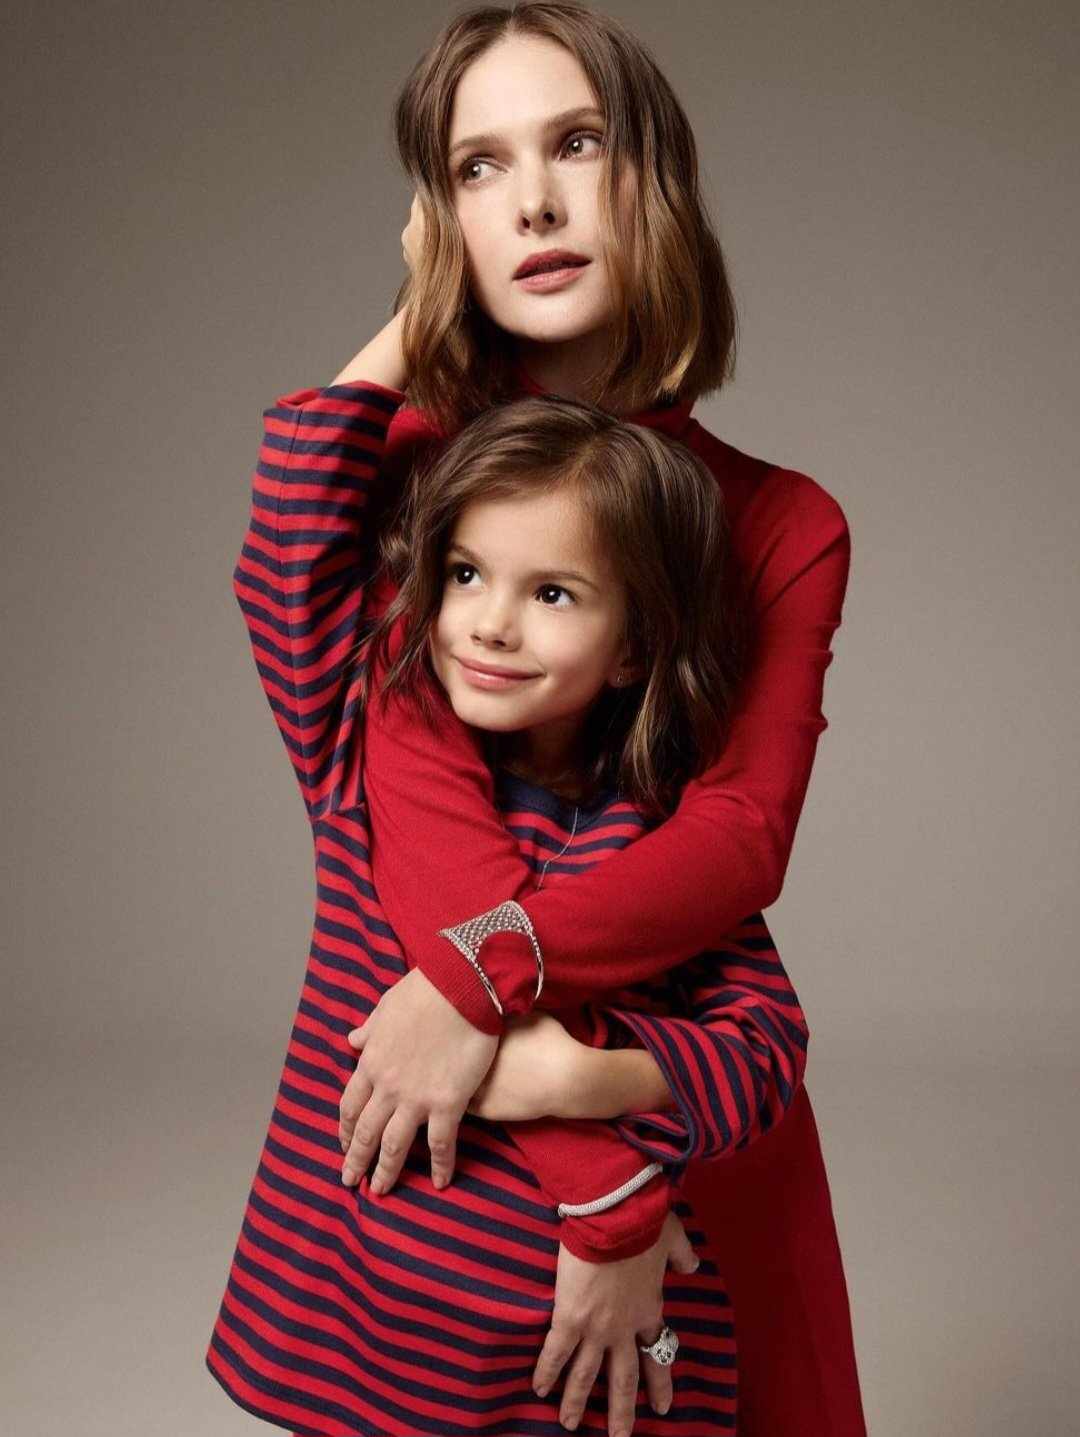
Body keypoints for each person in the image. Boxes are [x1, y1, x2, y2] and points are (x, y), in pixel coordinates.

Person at [210, 3, 865, 1433]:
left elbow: (737, 840)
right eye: (478, 168)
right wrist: (423, 305)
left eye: (578, 144)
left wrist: (483, 985)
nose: (537, 205)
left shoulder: (781, 521)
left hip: (668, 1134)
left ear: (653, 176)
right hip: (439, 1196)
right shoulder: (417, 485)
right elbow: (305, 614)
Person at [207, 368, 811, 1437]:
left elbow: (765, 1051)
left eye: (552, 594)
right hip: (362, 1336)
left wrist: (588, 1076)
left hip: (578, 1364)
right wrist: (432, 297)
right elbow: (291, 526)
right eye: (466, 574)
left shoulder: (655, 853)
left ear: (634, 645)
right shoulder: (355, 756)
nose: (489, 625)